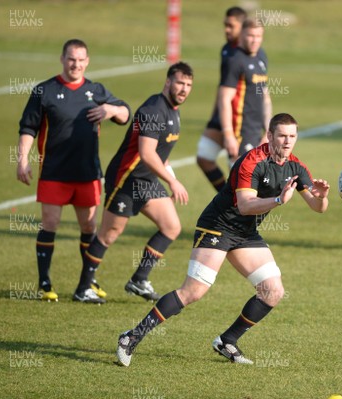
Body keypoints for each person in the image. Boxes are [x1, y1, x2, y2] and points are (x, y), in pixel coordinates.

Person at [116, 113, 329, 367]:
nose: (287, 141)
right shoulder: (251, 162)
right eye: (282, 135)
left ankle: (227, 340)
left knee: (273, 291)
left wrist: (323, 196)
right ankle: (130, 337)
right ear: (269, 135)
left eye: (292, 136)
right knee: (193, 291)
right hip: (218, 226)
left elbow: (318, 207)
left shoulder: (296, 167)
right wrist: (278, 200)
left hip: (245, 233)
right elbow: (245, 205)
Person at [16, 39, 130, 302]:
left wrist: (111, 109)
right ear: (62, 59)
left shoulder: (96, 91)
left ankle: (88, 282)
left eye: (80, 60)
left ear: (87, 61)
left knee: (89, 227)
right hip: (54, 172)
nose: (76, 64)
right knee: (51, 224)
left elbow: (125, 114)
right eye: (71, 59)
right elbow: (28, 128)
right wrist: (22, 160)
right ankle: (45, 283)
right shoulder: (44, 90)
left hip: (88, 173)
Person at [72, 62, 194, 304]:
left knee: (171, 227)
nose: (184, 89)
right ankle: (83, 288)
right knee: (109, 234)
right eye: (180, 83)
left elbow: (161, 152)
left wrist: (171, 175)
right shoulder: (153, 110)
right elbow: (147, 153)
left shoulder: (174, 110)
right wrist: (172, 181)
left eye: (189, 85)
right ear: (168, 82)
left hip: (147, 179)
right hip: (127, 179)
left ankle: (139, 280)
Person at [197, 17, 272, 192]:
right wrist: (229, 134)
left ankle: (229, 206)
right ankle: (226, 202)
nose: (255, 40)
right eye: (251, 35)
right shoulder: (235, 60)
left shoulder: (262, 56)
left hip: (253, 129)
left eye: (258, 36)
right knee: (208, 160)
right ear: (243, 34)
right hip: (239, 129)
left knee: (245, 186)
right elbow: (224, 98)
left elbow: (266, 97)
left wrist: (268, 128)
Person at [196, 6, 248, 191]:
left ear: (242, 27)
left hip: (239, 119)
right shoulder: (226, 50)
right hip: (221, 114)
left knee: (237, 174)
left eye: (231, 26)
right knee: (204, 157)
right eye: (225, 25)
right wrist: (214, 114)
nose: (226, 29)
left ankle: (236, 208)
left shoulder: (248, 54)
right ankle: (226, 198)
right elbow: (223, 86)